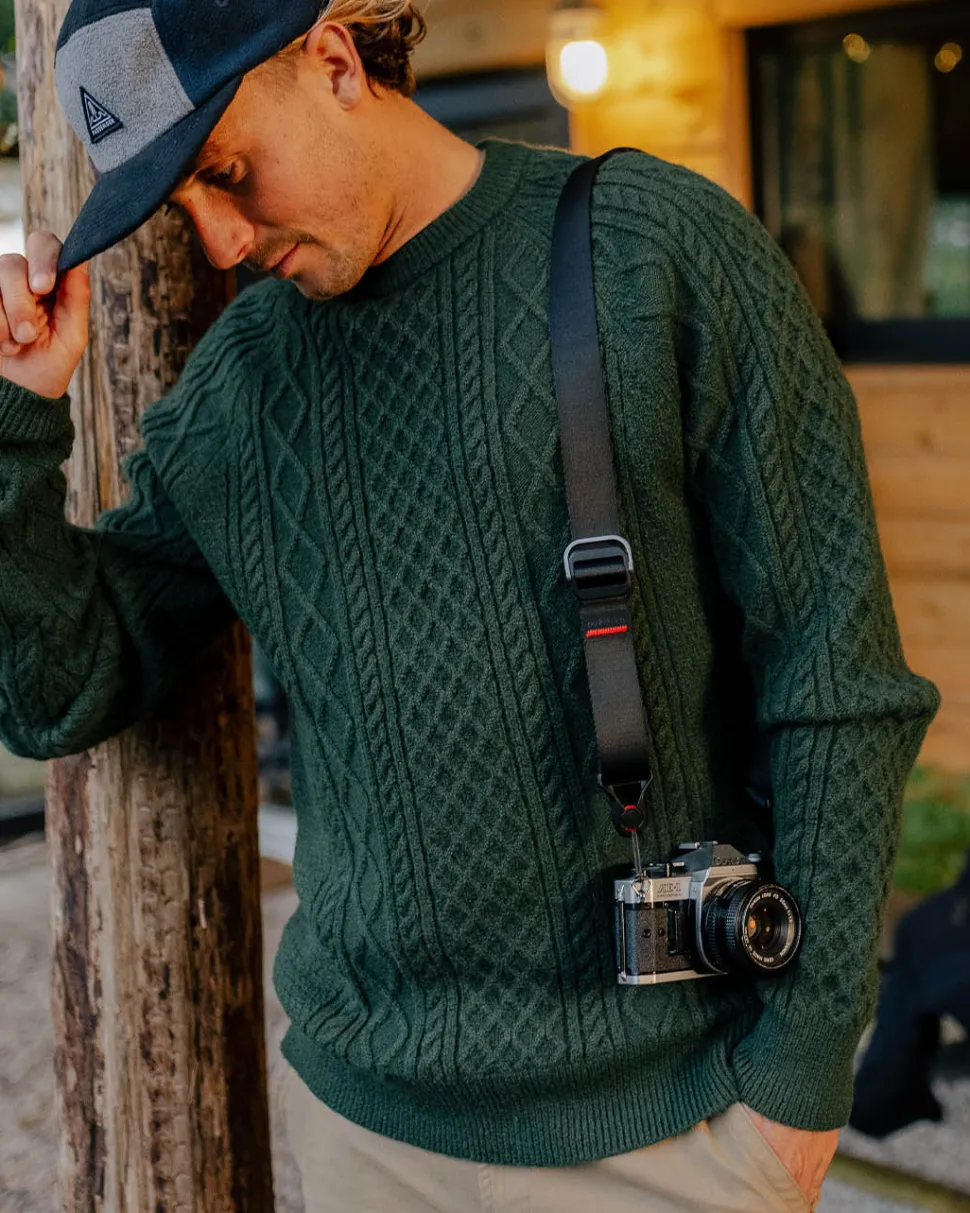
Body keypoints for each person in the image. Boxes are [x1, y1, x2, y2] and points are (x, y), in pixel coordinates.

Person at [0, 0, 940, 1209]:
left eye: (226, 171)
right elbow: (58, 688)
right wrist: (16, 418)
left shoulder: (652, 251)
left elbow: (836, 679)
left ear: (332, 59)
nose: (221, 240)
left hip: (666, 1130)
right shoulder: (240, 391)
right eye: (181, 206)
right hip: (364, 1129)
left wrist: (799, 1083)